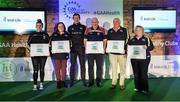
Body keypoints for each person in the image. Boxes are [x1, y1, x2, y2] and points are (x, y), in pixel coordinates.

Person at [128, 25, 154, 94]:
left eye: (139, 30)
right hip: (134, 59)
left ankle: (145, 89)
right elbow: (128, 47)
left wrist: (147, 47)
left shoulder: (146, 38)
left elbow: (151, 47)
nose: (138, 31)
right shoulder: (132, 39)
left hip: (144, 59)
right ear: (135, 31)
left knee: (143, 74)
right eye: (136, 30)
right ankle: (137, 87)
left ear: (142, 31)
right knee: (136, 74)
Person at [107, 18, 129, 90]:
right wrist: (108, 49)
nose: (116, 22)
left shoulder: (124, 30)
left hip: (122, 53)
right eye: (114, 21)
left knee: (122, 69)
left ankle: (121, 84)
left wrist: (125, 50)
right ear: (113, 22)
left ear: (119, 22)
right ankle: (113, 83)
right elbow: (108, 41)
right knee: (114, 68)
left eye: (117, 21)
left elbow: (128, 40)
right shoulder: (110, 31)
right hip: (112, 53)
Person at [84, 17, 107, 87]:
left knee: (99, 67)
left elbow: (105, 40)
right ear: (91, 23)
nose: (94, 23)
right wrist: (86, 48)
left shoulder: (102, 29)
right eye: (93, 22)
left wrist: (103, 48)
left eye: (96, 22)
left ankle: (98, 81)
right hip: (90, 52)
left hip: (99, 52)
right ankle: (91, 81)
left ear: (98, 22)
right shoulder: (87, 30)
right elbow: (85, 40)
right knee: (90, 67)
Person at [28, 19, 49, 90]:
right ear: (35, 26)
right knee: (35, 70)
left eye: (40, 25)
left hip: (43, 55)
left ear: (42, 26)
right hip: (34, 55)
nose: (39, 27)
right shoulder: (32, 34)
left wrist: (48, 51)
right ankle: (35, 84)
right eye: (37, 25)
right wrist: (30, 51)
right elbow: (28, 44)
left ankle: (41, 84)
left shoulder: (45, 34)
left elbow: (49, 44)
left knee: (42, 69)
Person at [68, 13, 87, 87]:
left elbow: (85, 38)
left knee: (82, 65)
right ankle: (71, 81)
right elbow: (68, 39)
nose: (76, 19)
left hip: (81, 49)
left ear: (79, 18)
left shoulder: (84, 27)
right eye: (74, 18)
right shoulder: (70, 28)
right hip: (73, 49)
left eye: (77, 17)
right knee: (72, 65)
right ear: (73, 18)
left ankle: (84, 81)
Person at [50, 22, 69, 88]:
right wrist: (51, 51)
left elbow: (70, 44)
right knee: (57, 68)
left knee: (64, 68)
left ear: (64, 27)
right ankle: (58, 82)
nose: (61, 27)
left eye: (62, 26)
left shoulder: (67, 34)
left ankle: (63, 81)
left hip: (64, 54)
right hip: (56, 54)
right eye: (59, 26)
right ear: (57, 27)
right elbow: (50, 44)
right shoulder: (54, 34)